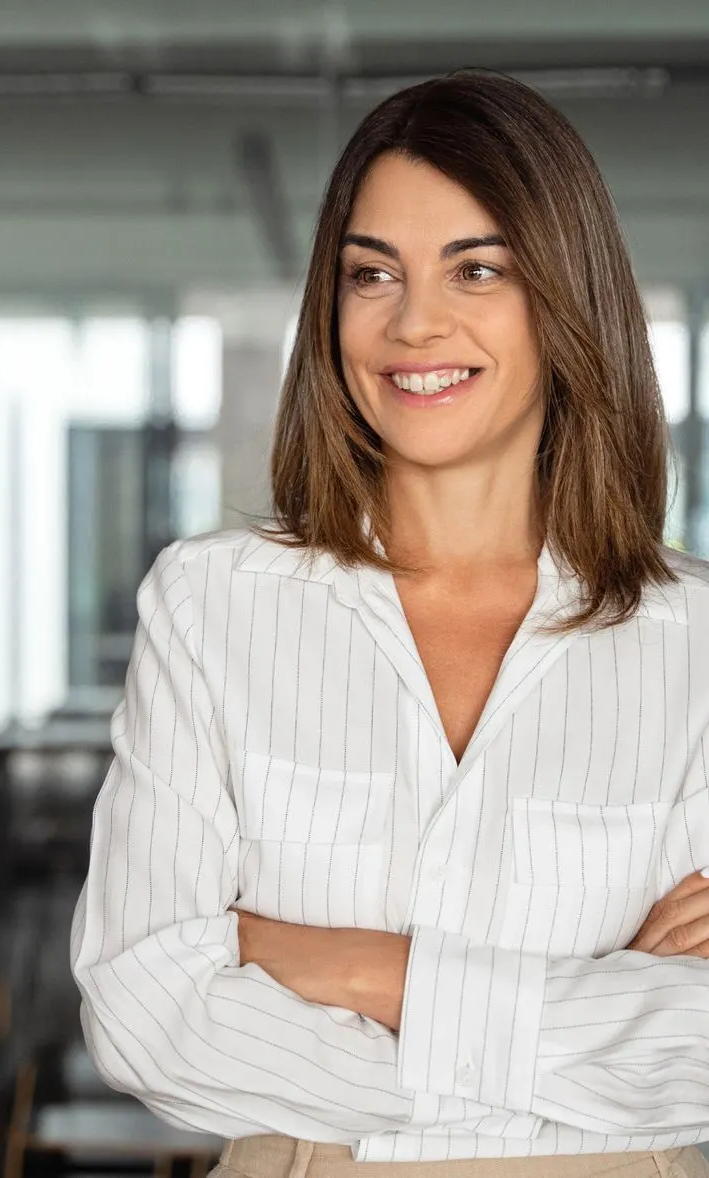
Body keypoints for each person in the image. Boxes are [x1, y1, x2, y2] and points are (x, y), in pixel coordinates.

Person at [70, 70, 709, 1178]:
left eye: (477, 268)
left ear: (567, 300)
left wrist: (360, 970)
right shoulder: (212, 606)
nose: (414, 321)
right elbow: (144, 1014)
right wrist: (585, 1020)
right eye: (372, 273)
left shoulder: (693, 637)